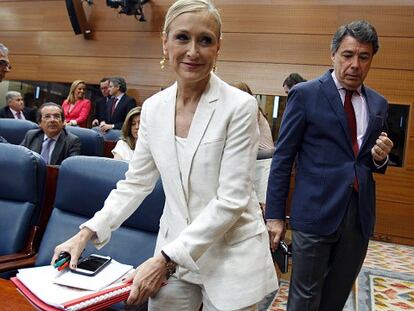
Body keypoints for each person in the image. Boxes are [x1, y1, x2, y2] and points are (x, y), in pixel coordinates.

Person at [51, 1, 278, 310]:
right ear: (165, 42)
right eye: (183, 37)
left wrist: (164, 260)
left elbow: (232, 200)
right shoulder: (155, 108)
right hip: (175, 249)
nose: (193, 51)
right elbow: (135, 184)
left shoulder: (239, 107)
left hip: (230, 255)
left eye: (206, 40)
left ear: (218, 47)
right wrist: (86, 233)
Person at [265, 20, 394, 311]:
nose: (355, 64)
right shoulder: (306, 94)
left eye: (364, 57)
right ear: (333, 54)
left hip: (358, 217)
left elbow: (369, 161)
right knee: (304, 300)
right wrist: (274, 215)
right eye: (348, 55)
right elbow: (283, 159)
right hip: (314, 213)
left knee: (335, 298)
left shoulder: (378, 103)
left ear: (371, 59)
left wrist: (379, 157)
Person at [231, 81, 274, 210]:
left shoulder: (251, 107)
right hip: (257, 160)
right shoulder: (249, 107)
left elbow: (244, 134)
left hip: (264, 161)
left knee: (262, 203)